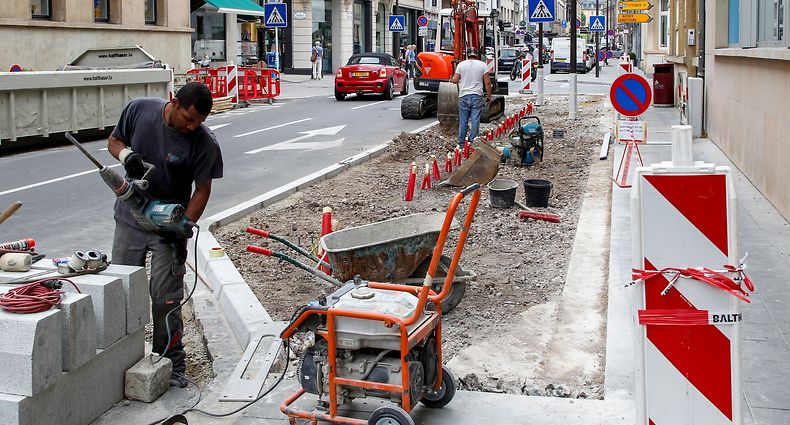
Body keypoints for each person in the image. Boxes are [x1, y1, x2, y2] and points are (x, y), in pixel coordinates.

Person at [107, 82, 224, 388]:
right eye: (188, 119)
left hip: (167, 228)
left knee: (165, 298)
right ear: (174, 102)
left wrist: (184, 224)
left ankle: (172, 363)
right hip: (129, 220)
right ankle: (118, 358)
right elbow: (114, 141)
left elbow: (203, 189)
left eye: (198, 122)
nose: (192, 126)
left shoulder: (204, 142)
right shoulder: (139, 110)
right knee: (120, 289)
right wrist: (126, 156)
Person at [450, 48, 492, 148]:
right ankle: (473, 141)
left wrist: (451, 79)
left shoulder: (461, 65)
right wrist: (489, 96)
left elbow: (455, 80)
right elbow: (487, 82)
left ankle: (461, 143)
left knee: (463, 121)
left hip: (464, 96)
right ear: (476, 54)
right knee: (475, 120)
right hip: (477, 95)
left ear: (467, 54)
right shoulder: (482, 65)